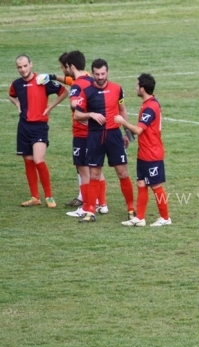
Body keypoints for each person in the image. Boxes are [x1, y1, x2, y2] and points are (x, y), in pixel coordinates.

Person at [73, 58, 135, 223]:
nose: (100, 77)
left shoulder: (117, 89)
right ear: (92, 73)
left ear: (107, 72)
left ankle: (131, 209)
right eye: (97, 74)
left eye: (103, 73)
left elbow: (122, 110)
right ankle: (90, 211)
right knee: (94, 175)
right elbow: (77, 115)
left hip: (114, 135)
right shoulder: (86, 91)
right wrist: (91, 114)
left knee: (123, 173)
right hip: (95, 136)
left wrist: (127, 133)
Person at [49, 51, 109, 210]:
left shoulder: (78, 84)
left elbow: (75, 105)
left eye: (65, 67)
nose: (64, 70)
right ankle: (101, 204)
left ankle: (87, 206)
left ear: (71, 66)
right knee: (95, 168)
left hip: (82, 132)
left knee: (84, 169)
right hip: (96, 131)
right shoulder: (91, 80)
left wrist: (83, 112)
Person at [8, 54, 68, 208]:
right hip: (24, 126)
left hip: (39, 127)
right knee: (28, 161)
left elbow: (64, 92)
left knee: (38, 160)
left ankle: (49, 196)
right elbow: (11, 95)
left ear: (31, 64)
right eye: (20, 67)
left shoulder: (42, 81)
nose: (23, 69)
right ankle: (35, 197)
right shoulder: (16, 84)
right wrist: (17, 104)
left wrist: (50, 107)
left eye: (25, 66)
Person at [114, 73, 171, 227]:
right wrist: (128, 135)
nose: (136, 87)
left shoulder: (150, 107)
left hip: (152, 154)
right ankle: (140, 218)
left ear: (143, 89)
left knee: (156, 186)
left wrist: (123, 121)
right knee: (141, 183)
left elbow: (139, 130)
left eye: (137, 85)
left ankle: (165, 218)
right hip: (144, 153)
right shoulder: (148, 104)